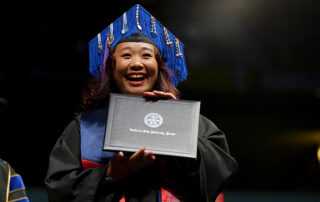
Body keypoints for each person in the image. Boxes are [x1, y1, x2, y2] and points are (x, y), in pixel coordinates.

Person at [44, 4, 238, 202]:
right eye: (126, 55)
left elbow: (216, 180)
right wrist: (109, 174)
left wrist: (179, 129)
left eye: (146, 55)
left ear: (159, 66)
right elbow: (59, 190)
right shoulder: (84, 128)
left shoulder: (193, 124)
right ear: (112, 67)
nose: (136, 63)